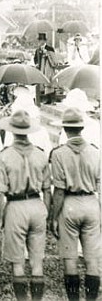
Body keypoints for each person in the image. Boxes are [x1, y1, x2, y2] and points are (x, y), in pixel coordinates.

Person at [0, 110, 52, 301]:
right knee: (37, 261)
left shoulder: (4, 156)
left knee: (17, 261)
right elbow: (47, 190)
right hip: (37, 205)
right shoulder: (41, 155)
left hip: (16, 206)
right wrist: (47, 213)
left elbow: (0, 192)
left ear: (11, 131)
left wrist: (0, 218)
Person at [50, 108, 100, 301]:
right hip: (91, 202)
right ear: (81, 128)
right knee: (92, 258)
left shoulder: (59, 153)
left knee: (70, 258)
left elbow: (60, 190)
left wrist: (54, 217)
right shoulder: (95, 152)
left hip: (70, 204)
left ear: (64, 128)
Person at [33, 33, 57, 104]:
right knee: (43, 84)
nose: (41, 42)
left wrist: (47, 54)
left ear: (45, 41)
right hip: (41, 68)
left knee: (50, 82)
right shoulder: (37, 50)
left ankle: (52, 99)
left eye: (43, 40)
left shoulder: (50, 48)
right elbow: (35, 59)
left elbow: (54, 58)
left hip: (48, 68)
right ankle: (46, 99)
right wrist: (37, 63)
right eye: (40, 40)